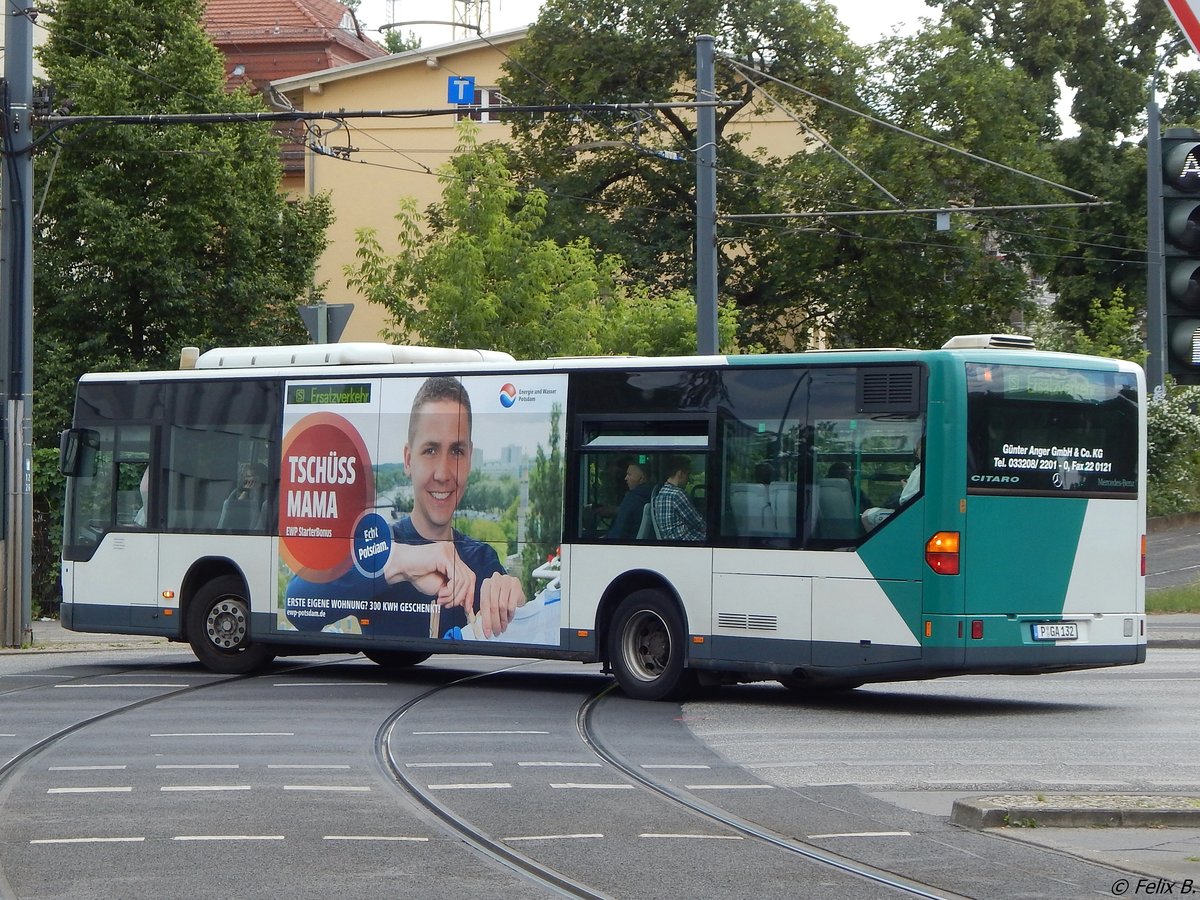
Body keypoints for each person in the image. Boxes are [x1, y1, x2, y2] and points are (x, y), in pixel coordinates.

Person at [285, 376, 526, 639]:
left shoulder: (482, 560)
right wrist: (400, 562)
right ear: (408, 460)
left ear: (469, 458)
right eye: (431, 450)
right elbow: (298, 604)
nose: (443, 474)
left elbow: (517, 639)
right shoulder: (379, 546)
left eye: (456, 451)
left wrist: (514, 603)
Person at [861, 439, 923, 531]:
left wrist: (905, 487)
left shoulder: (919, 471)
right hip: (918, 514)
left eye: (919, 448)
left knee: (867, 515)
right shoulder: (924, 469)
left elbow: (905, 501)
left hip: (910, 516)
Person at [651, 455, 705, 541]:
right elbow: (698, 522)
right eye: (688, 474)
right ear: (680, 474)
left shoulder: (660, 494)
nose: (688, 479)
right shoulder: (677, 494)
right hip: (686, 540)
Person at [604, 460, 652, 540]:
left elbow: (618, 533)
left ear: (641, 478)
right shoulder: (652, 494)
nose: (626, 478)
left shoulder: (632, 498)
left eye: (629, 475)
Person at [218, 462, 267, 530]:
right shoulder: (243, 492)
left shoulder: (266, 496)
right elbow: (234, 510)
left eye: (248, 476)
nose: (246, 479)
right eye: (245, 476)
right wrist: (245, 491)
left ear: (258, 478)